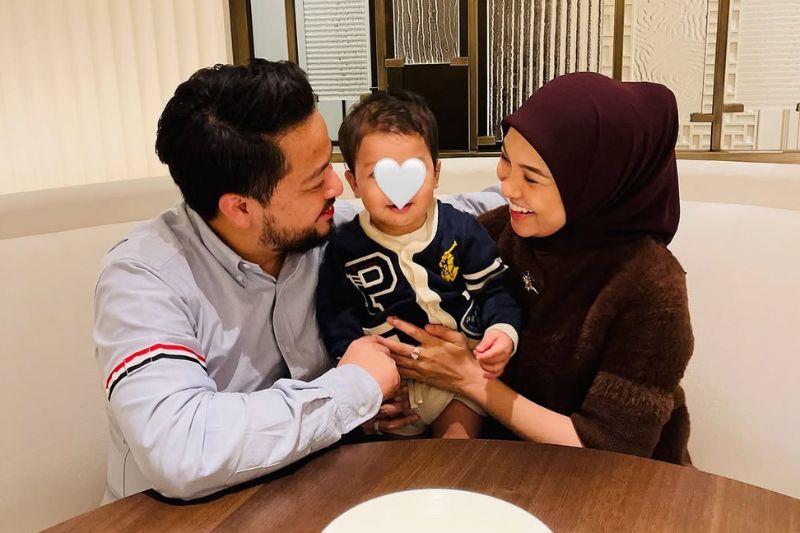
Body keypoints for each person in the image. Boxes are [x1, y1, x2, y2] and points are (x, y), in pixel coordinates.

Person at [93, 59, 503, 501]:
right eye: (315, 180)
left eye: (330, 163)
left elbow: (469, 211)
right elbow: (181, 449)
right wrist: (356, 388)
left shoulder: (335, 231)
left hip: (319, 495)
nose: (337, 187)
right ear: (240, 208)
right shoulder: (144, 278)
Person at [377, 72, 694, 464]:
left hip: (621, 481)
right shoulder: (495, 233)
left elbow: (613, 449)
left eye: (532, 177)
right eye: (506, 160)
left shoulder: (650, 286)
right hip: (508, 466)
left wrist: (468, 379)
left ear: (592, 185)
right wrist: (407, 394)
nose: (508, 187)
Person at [316, 91, 521, 438]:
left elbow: (496, 288)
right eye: (378, 175)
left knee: (456, 451)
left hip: (458, 382)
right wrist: (354, 371)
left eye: (415, 171)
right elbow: (336, 314)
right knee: (391, 465)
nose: (398, 190)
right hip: (392, 388)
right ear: (353, 183)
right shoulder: (344, 247)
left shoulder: (461, 230)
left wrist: (502, 332)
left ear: (436, 173)